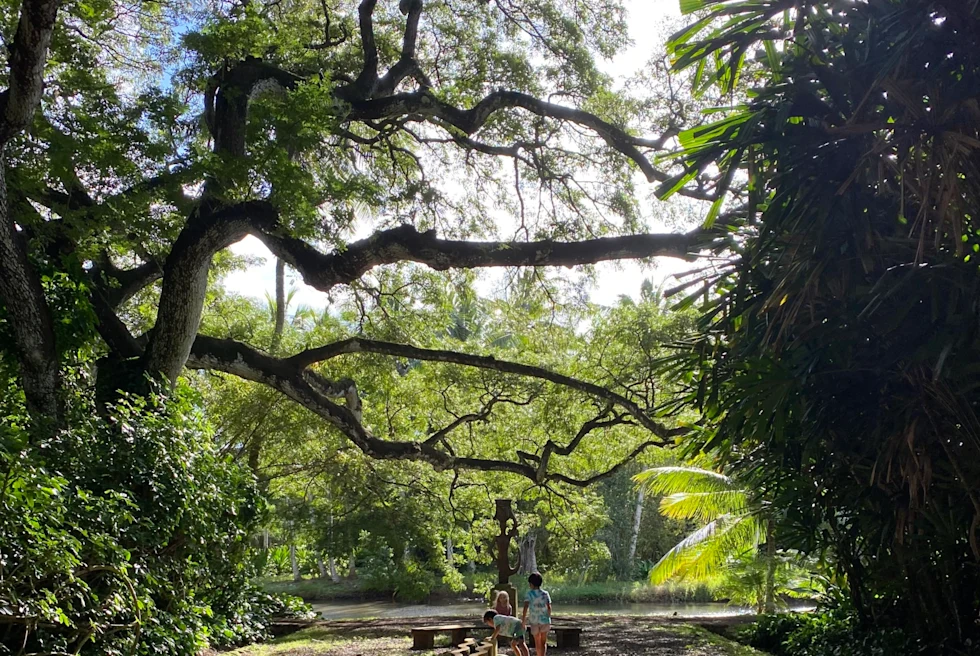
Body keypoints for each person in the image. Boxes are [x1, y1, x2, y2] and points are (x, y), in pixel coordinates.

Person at [521, 572, 552, 656]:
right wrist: (548, 617)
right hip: (544, 620)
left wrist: (523, 620)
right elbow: (549, 607)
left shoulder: (529, 594)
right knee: (543, 642)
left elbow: (525, 607)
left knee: (537, 642)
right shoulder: (545, 594)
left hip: (534, 621)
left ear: (531, 584)